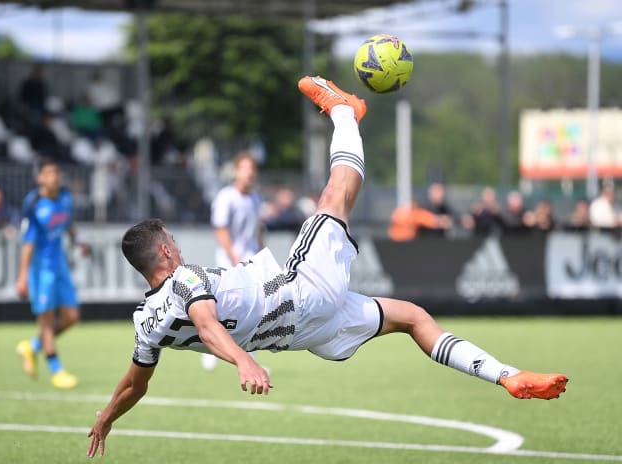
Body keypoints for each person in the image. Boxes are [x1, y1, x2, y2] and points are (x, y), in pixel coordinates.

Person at [87, 76, 568, 458]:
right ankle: (344, 109)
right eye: (171, 240)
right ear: (166, 253)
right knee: (335, 195)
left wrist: (108, 415)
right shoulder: (186, 277)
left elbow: (136, 382)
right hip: (300, 291)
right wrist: (243, 360)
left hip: (307, 333)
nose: (176, 245)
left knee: (412, 317)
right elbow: (208, 324)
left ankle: (508, 376)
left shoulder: (144, 323)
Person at [15, 158, 88, 389]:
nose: (54, 177)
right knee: (46, 321)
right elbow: (28, 243)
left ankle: (33, 347)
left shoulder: (65, 197)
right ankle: (56, 370)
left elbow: (67, 223)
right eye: (48, 174)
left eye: (57, 173)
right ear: (39, 178)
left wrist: (78, 242)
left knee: (71, 317)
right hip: (40, 269)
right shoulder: (34, 203)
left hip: (60, 265)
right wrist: (23, 275)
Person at [201, 151, 264, 371]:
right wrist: (232, 255)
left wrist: (261, 253)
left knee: (253, 307)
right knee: (222, 307)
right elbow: (221, 228)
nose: (249, 173)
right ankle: (211, 351)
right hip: (229, 260)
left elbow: (258, 229)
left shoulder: (256, 198)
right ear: (237, 171)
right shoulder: (226, 196)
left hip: (250, 260)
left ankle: (251, 356)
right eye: (245, 168)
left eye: (252, 169)